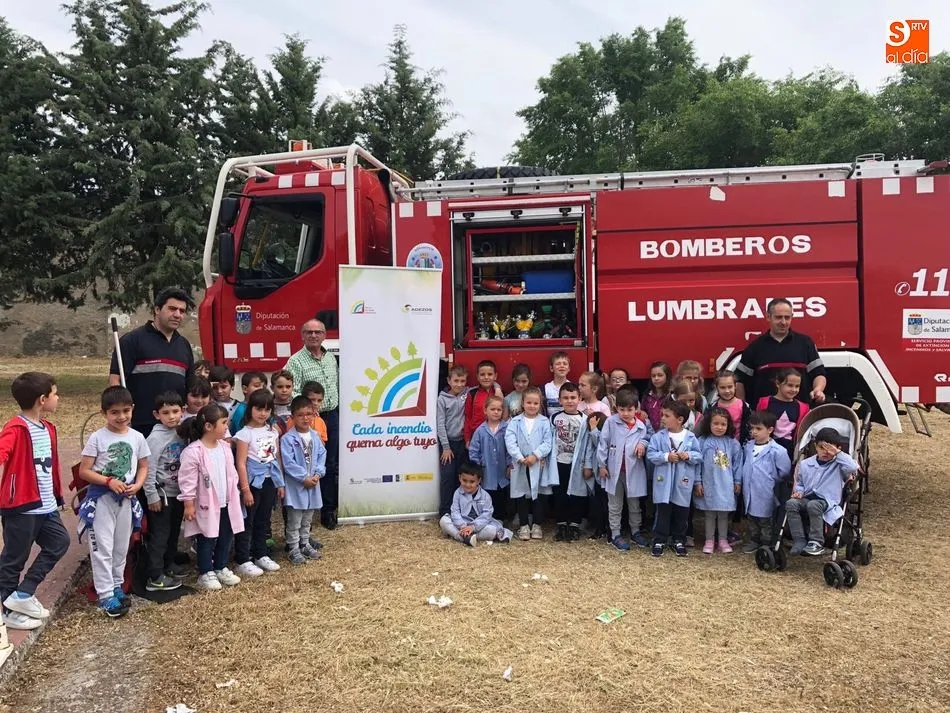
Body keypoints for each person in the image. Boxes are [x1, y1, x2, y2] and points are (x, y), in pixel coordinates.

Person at [0, 372, 69, 631]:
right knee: (14, 558)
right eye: (55, 393)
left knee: (60, 542)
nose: (58, 398)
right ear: (43, 399)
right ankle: (8, 609)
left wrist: (57, 496)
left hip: (46, 505)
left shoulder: (47, 428)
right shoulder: (16, 428)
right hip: (21, 508)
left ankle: (22, 594)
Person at [77, 386, 150, 616]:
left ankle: (117, 585)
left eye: (126, 411)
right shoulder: (98, 438)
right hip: (102, 501)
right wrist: (108, 481)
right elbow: (84, 471)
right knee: (103, 548)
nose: (121, 417)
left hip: (126, 500)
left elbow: (143, 466)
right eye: (115, 412)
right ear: (104, 413)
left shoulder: (136, 437)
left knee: (121, 546)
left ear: (133, 409)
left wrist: (137, 485)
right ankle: (105, 594)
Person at [109, 287, 195, 437]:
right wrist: (122, 415)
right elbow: (115, 380)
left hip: (175, 426)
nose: (177, 315)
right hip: (140, 425)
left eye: (182, 311)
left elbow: (190, 385)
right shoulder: (132, 340)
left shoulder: (184, 345)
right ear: (157, 309)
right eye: (172, 309)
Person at [177, 404, 245, 591]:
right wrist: (188, 504)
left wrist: (235, 493)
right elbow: (187, 481)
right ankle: (205, 571)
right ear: (209, 426)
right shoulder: (193, 452)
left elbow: (230, 473)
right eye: (224, 423)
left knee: (225, 535)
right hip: (206, 504)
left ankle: (221, 566)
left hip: (227, 501)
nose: (227, 427)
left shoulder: (224, 447)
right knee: (207, 537)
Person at [283, 319, 340, 530]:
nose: (314, 336)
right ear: (302, 335)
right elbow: (293, 391)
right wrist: (308, 410)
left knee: (330, 464)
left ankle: (328, 511)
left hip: (331, 416)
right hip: (309, 420)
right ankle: (304, 511)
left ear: (325, 335)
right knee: (308, 463)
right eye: (309, 332)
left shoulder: (330, 359)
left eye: (318, 332)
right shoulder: (295, 361)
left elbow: (335, 385)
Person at [735, 297, 828, 407]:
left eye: (787, 317)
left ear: (792, 317)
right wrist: (743, 408)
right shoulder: (755, 347)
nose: (783, 322)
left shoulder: (805, 343)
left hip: (799, 415)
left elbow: (819, 373)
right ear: (768, 317)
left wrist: (818, 390)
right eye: (778, 317)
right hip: (765, 418)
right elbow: (739, 380)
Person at [233, 390, 284, 577]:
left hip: (270, 480)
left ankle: (260, 554)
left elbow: (276, 457)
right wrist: (245, 489)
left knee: (264, 519)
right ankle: (243, 558)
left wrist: (281, 484)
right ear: (250, 409)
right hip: (253, 483)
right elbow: (241, 463)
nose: (263, 413)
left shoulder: (273, 431)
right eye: (259, 409)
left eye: (267, 409)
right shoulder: (244, 434)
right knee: (248, 521)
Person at [786, 427, 858, 556]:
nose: (825, 452)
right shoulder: (806, 464)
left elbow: (853, 467)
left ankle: (816, 541)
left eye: (829, 449)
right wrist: (799, 492)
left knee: (813, 505)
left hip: (827, 500)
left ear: (837, 449)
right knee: (791, 504)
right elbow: (801, 483)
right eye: (821, 447)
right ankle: (799, 539)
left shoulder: (839, 465)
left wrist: (837, 454)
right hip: (807, 497)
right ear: (815, 446)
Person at [596, 388, 650, 551]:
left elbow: (647, 440)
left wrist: (643, 444)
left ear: (636, 409)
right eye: (622, 409)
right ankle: (615, 534)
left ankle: (635, 531)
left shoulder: (641, 426)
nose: (626, 413)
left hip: (633, 471)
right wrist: (602, 465)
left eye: (630, 409)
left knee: (634, 505)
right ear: (616, 409)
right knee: (615, 504)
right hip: (614, 471)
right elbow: (603, 443)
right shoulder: (611, 422)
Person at [142, 391, 186, 592]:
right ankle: (155, 575)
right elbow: (148, 468)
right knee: (160, 534)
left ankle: (169, 565)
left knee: (174, 531)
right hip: (161, 496)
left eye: (175, 411)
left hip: (177, 493)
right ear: (156, 414)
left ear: (183, 410)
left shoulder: (182, 432)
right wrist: (151, 495)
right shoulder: (155, 438)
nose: (171, 416)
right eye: (166, 412)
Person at [647, 401, 702, 557]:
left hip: (682, 483)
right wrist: (666, 456)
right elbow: (651, 454)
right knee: (662, 513)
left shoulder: (690, 438)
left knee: (681, 513)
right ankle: (659, 540)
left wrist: (688, 455)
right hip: (663, 482)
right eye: (662, 415)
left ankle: (679, 540)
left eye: (667, 415)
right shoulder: (658, 437)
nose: (663, 418)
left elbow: (699, 456)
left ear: (680, 419)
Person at [505, 386, 557, 541]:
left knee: (538, 495)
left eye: (535, 403)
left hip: (538, 464)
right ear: (523, 403)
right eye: (529, 402)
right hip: (521, 464)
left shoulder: (544, 422)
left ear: (540, 404)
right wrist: (520, 457)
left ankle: (537, 524)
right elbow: (510, 440)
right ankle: (523, 525)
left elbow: (548, 442)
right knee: (521, 494)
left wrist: (535, 455)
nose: (532, 406)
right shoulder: (515, 421)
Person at [280, 396, 326, 565]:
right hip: (297, 486)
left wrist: (318, 474)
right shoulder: (287, 439)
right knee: (295, 520)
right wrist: (303, 477)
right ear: (292, 417)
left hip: (313, 484)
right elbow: (288, 462)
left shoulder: (315, 436)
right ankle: (293, 548)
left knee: (307, 519)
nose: (305, 418)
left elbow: (322, 455)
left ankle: (305, 544)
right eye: (300, 415)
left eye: (309, 414)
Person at [740, 411, 792, 554]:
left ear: (770, 430)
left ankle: (767, 543)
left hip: (766, 491)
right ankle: (754, 540)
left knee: (766, 520)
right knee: (752, 517)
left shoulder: (778, 451)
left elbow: (784, 471)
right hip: (750, 490)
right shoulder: (748, 447)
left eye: (758, 429)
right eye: (752, 428)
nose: (754, 432)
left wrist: (771, 480)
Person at [694, 408, 742, 554]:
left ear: (728, 426)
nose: (719, 427)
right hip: (709, 483)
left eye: (723, 424)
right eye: (716, 423)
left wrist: (737, 481)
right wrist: (697, 482)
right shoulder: (702, 442)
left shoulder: (733, 444)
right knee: (709, 513)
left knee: (723, 514)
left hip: (726, 484)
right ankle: (709, 540)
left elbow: (738, 464)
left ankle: (723, 539)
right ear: (709, 424)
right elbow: (697, 463)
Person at [439, 461, 512, 547]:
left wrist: (473, 527)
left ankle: (464, 536)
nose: (467, 484)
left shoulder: (485, 496)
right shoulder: (457, 493)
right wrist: (462, 526)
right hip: (462, 523)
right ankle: (466, 538)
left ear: (479, 481)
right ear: (459, 478)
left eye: (472, 482)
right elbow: (455, 511)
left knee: (492, 530)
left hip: (479, 526)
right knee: (444, 520)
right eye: (464, 480)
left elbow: (486, 515)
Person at [467, 395, 510, 522]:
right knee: (487, 496)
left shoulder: (506, 429)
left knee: (501, 496)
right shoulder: (480, 430)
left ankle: (500, 520)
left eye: (499, 410)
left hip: (502, 471)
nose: (496, 412)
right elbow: (474, 451)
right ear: (485, 410)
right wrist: (478, 466)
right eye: (493, 409)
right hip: (486, 472)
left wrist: (510, 465)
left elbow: (510, 449)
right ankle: (487, 520)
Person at [551, 383, 585, 542]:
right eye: (565, 398)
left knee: (576, 494)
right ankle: (562, 524)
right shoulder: (554, 418)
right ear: (559, 400)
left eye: (573, 397)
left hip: (576, 464)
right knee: (560, 493)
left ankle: (575, 525)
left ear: (580, 399)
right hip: (559, 462)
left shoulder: (584, 419)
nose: (570, 401)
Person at [756, 368, 810, 460]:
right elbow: (758, 425)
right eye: (790, 385)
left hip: (790, 453)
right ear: (777, 383)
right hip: (766, 452)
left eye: (797, 386)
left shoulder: (803, 407)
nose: (794, 389)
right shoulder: (765, 403)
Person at [437, 365, 469, 517]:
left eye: (462, 381)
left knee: (461, 477)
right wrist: (445, 447)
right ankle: (444, 511)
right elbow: (440, 423)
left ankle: (460, 510)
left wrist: (496, 387)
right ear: (449, 381)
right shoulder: (442, 399)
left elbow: (485, 386)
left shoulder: (468, 393)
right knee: (447, 477)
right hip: (448, 444)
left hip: (463, 443)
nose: (459, 384)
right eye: (456, 380)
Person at [582, 411, 609, 540]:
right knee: (599, 504)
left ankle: (608, 529)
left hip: (607, 475)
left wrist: (593, 429)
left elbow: (601, 443)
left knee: (607, 505)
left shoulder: (605, 433)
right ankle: (600, 528)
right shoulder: (591, 434)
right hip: (598, 477)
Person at [464, 360, 502, 448]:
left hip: (495, 437)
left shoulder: (499, 393)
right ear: (477, 376)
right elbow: (467, 418)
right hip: (476, 437)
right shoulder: (472, 394)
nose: (486, 377)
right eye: (482, 374)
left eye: (490, 374)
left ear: (495, 376)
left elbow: (503, 417)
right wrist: (467, 439)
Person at [708, 370, 750, 443]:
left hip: (737, 447)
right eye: (723, 387)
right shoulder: (713, 407)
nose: (727, 391)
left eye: (730, 387)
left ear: (735, 386)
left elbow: (747, 429)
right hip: (717, 446)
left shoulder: (743, 406)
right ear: (716, 387)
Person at [228, 371, 267, 435]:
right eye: (257, 386)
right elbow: (241, 436)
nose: (261, 389)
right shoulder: (241, 411)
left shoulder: (266, 407)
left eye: (264, 387)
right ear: (245, 389)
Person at [642, 361, 672, 433]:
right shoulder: (647, 394)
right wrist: (642, 413)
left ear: (667, 376)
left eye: (660, 375)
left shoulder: (671, 395)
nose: (656, 378)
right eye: (653, 375)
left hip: (667, 432)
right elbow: (643, 410)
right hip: (650, 432)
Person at [543, 351, 571, 418]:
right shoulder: (545, 389)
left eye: (565, 364)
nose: (562, 366)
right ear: (551, 368)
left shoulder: (573, 388)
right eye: (558, 364)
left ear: (569, 368)